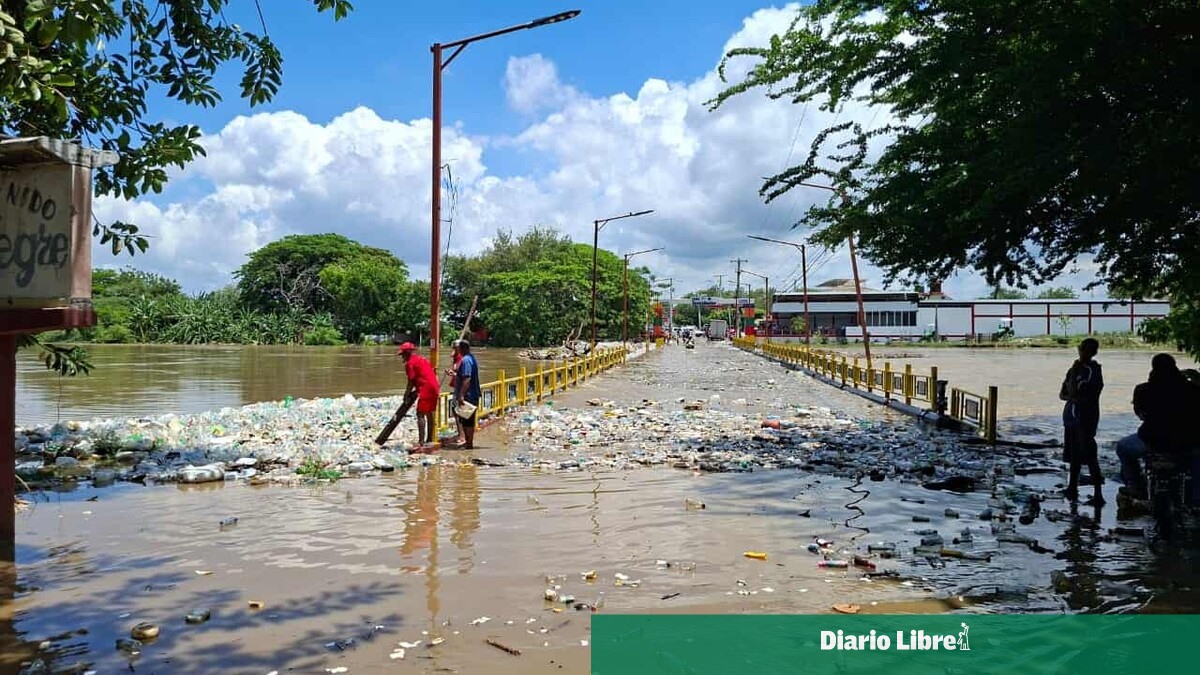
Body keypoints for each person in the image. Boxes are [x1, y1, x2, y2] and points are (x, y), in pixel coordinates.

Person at [1115, 354, 1194, 499]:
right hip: (1187, 443)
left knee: (1123, 447)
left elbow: (1140, 414)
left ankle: (1135, 486)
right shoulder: (1192, 389)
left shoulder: (1143, 389)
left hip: (1152, 441)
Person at [1059, 337, 1104, 504]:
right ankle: (1072, 487)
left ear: (1093, 352)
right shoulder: (1073, 370)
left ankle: (1098, 493)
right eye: (1082, 349)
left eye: (1088, 350)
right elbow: (1063, 393)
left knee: (1090, 454)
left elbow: (1091, 395)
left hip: (1086, 418)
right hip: (1070, 417)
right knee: (1073, 455)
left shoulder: (1094, 370)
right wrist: (1073, 396)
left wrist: (1075, 398)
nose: (1083, 352)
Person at [397, 342, 440, 447]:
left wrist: (406, 395)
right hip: (434, 387)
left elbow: (411, 381)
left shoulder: (410, 364)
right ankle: (429, 439)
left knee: (420, 414)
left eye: (402, 354)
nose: (402, 356)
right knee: (429, 413)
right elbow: (424, 375)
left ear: (407, 353)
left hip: (426, 389)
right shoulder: (421, 359)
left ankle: (421, 442)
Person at [452, 339, 482, 449]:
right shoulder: (471, 358)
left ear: (462, 348)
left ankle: (469, 444)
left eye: (458, 348)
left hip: (469, 395)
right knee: (465, 419)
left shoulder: (466, 360)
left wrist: (461, 395)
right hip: (471, 394)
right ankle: (468, 442)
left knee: (467, 420)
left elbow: (467, 379)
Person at [444, 340, 465, 446]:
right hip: (456, 388)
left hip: (461, 389)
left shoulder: (462, 359)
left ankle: (462, 436)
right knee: (456, 411)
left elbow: (465, 376)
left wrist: (454, 374)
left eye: (455, 348)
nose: (453, 350)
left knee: (459, 412)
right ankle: (461, 434)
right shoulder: (456, 359)